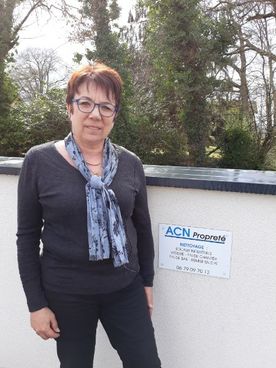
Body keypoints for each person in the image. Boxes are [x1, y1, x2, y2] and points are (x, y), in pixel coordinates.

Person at [16, 62, 161, 368]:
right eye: (85, 103)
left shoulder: (130, 163)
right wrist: (36, 304)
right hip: (66, 293)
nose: (95, 114)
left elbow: (142, 227)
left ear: (114, 115)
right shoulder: (39, 161)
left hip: (124, 287)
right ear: (70, 108)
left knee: (146, 363)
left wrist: (146, 282)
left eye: (106, 107)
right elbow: (27, 237)